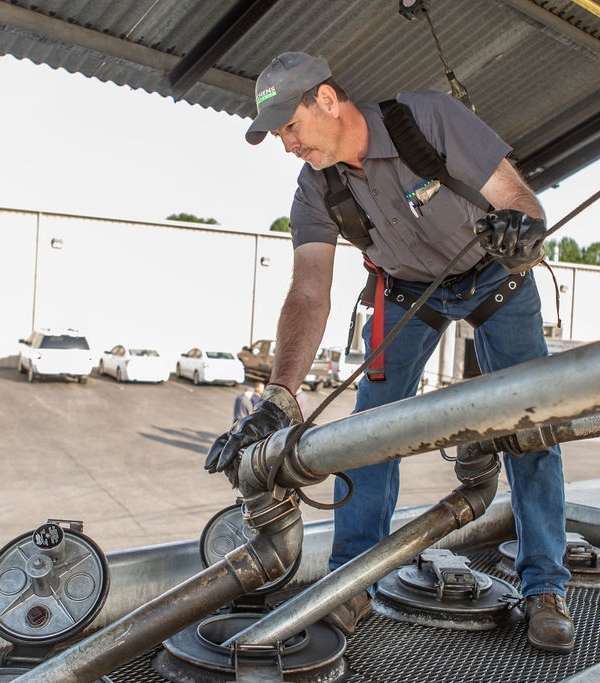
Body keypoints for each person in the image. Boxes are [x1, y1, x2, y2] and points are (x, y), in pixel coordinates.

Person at [205, 52, 573, 653]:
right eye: (277, 136)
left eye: (290, 128)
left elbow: (519, 198)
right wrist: (279, 397)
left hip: (496, 278)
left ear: (326, 99)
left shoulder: (425, 119)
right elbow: (307, 293)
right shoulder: (315, 188)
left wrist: (525, 229)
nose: (287, 145)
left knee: (530, 426)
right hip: (407, 293)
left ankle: (544, 589)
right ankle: (350, 584)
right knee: (369, 434)